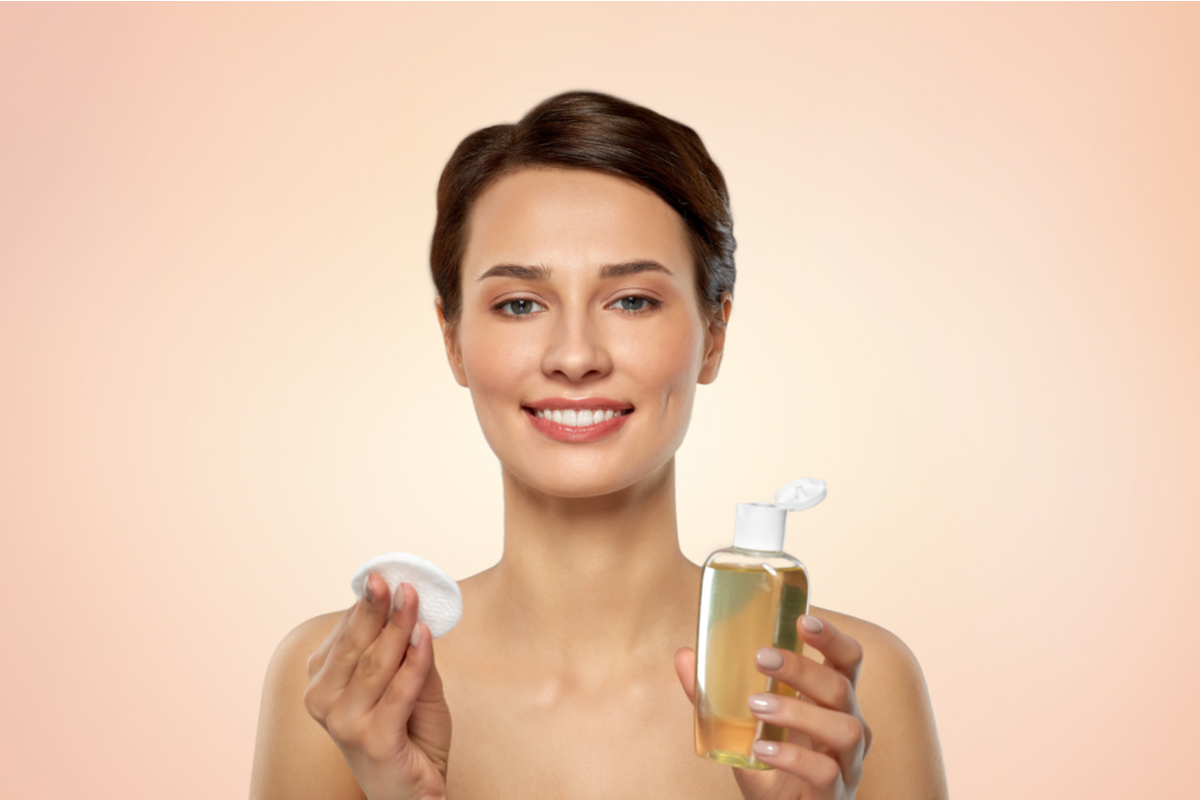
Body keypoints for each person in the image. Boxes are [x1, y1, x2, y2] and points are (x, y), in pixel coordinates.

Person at [250, 91, 947, 800]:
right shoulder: (343, 692)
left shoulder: (842, 697)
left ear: (715, 334)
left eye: (632, 300)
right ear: (453, 341)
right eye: (520, 304)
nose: (575, 356)